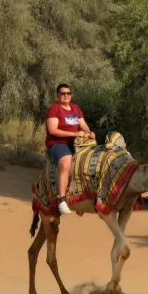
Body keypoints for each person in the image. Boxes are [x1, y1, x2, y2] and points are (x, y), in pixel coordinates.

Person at [44, 83, 94, 215]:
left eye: (68, 93)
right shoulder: (54, 109)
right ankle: (61, 199)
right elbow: (52, 130)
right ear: (57, 96)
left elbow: (83, 125)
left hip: (76, 143)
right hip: (58, 143)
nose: (66, 95)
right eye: (63, 93)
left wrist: (89, 132)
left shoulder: (75, 108)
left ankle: (82, 197)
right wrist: (74, 134)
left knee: (90, 163)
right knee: (66, 163)